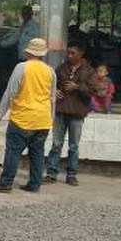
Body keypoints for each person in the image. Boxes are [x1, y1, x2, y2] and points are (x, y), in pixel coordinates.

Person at [0, 37, 56, 193]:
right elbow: (52, 97)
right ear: (43, 54)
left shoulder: (21, 68)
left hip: (22, 118)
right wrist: (51, 118)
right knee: (37, 153)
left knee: (13, 151)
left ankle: (6, 183)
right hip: (43, 120)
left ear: (28, 52)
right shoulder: (50, 71)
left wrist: (0, 113)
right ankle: (35, 184)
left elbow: (10, 92)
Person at [45, 39, 100, 186]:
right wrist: (54, 91)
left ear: (81, 54)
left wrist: (77, 87)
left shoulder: (89, 71)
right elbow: (50, 84)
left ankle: (71, 175)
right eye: (68, 53)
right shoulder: (61, 68)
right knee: (56, 144)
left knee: (73, 146)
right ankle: (51, 173)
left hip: (77, 112)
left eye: (72, 53)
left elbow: (95, 91)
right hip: (61, 110)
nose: (69, 55)